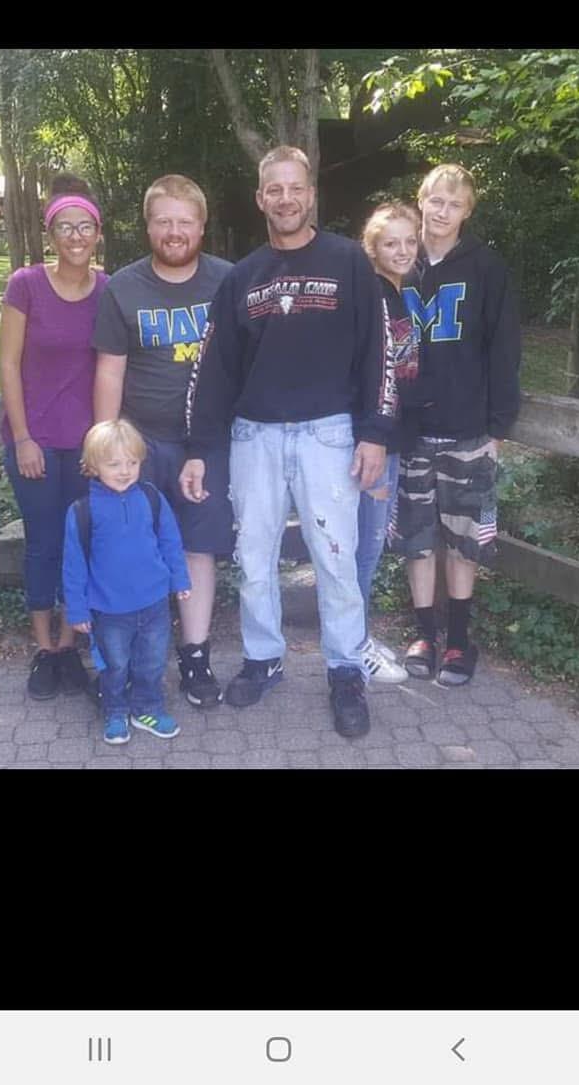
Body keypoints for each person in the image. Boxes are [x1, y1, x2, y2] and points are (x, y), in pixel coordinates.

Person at [181, 145, 392, 740]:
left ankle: (345, 670)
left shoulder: (349, 262)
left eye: (295, 187)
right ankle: (263, 658)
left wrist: (375, 432)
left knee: (336, 558)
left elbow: (378, 353)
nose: (285, 198)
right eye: (274, 189)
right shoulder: (242, 277)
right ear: (260, 198)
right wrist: (199, 447)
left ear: (311, 194)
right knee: (254, 559)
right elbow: (214, 370)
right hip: (256, 438)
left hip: (330, 435)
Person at [92, 174, 233, 710]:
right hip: (141, 444)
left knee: (198, 549)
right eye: (164, 221)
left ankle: (195, 656)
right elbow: (109, 371)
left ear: (202, 226)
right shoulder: (123, 288)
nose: (175, 231)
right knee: (132, 547)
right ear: (148, 226)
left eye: (185, 221)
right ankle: (129, 663)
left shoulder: (228, 281)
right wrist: (106, 448)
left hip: (207, 443)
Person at [391, 163, 521, 685]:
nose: (443, 212)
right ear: (421, 200)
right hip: (409, 431)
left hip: (468, 429)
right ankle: (425, 634)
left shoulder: (487, 268)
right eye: (436, 201)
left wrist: (498, 427)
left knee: (465, 541)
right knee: (417, 539)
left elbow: (504, 348)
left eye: (455, 204)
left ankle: (459, 642)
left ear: (468, 211)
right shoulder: (399, 262)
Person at [0, 180, 107, 700]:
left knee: (79, 545)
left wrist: (102, 444)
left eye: (84, 227)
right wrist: (23, 437)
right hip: (35, 443)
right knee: (43, 544)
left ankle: (69, 648)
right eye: (65, 227)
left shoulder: (108, 289)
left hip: (86, 447)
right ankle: (44, 650)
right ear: (51, 234)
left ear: (97, 234)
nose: (75, 236)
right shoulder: (25, 284)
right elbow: (8, 363)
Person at [62, 419, 191, 745]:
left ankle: (147, 708)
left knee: (152, 662)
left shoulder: (151, 498)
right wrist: (77, 610)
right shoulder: (82, 511)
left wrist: (180, 579)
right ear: (92, 466)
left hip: (154, 604)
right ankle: (116, 711)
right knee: (114, 665)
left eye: (132, 463)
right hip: (109, 610)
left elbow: (170, 542)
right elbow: (74, 566)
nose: (124, 471)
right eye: (114, 464)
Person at [355, 201, 427, 684]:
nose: (401, 251)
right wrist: (372, 435)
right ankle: (353, 643)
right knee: (365, 544)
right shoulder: (374, 295)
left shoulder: (403, 292)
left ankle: (355, 631)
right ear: (373, 248)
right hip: (375, 441)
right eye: (390, 243)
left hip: (396, 438)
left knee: (372, 541)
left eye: (408, 241)